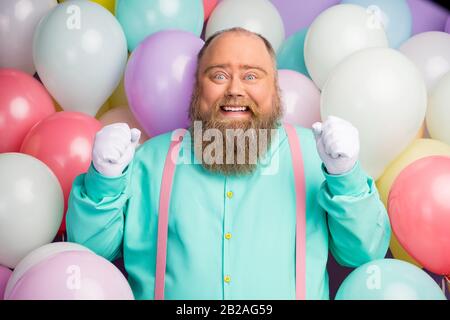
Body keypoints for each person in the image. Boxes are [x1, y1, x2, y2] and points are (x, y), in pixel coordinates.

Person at [67, 28, 391, 300]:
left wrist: (345, 175)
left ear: (275, 90)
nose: (235, 90)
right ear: (198, 87)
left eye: (251, 75)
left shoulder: (315, 154)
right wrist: (104, 179)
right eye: (219, 75)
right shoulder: (148, 160)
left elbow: (363, 253)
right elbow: (90, 253)